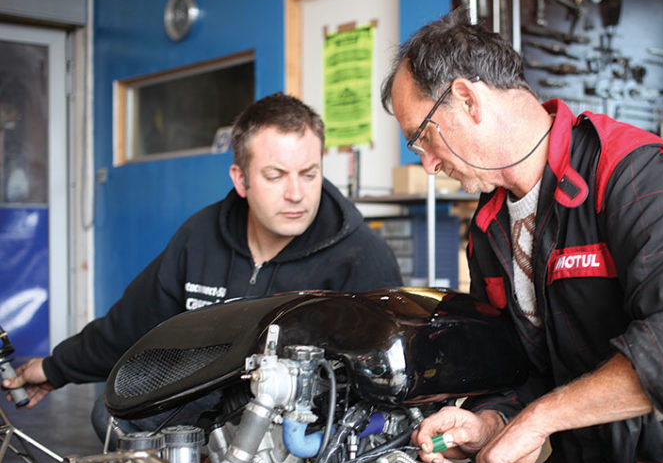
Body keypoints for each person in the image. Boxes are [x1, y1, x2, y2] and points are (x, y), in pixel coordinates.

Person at [381, 9, 663, 463]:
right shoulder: (489, 225)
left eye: (422, 136)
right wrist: (491, 423)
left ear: (468, 99)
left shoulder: (632, 171)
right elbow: (518, 365)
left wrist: (540, 419)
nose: (427, 163)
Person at [3, 92, 403, 436]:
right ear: (241, 179)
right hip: (210, 411)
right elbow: (132, 325)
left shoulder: (362, 258)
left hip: (305, 426)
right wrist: (56, 369)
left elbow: (391, 378)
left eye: (309, 173)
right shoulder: (201, 237)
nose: (297, 193)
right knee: (113, 417)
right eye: (276, 175)